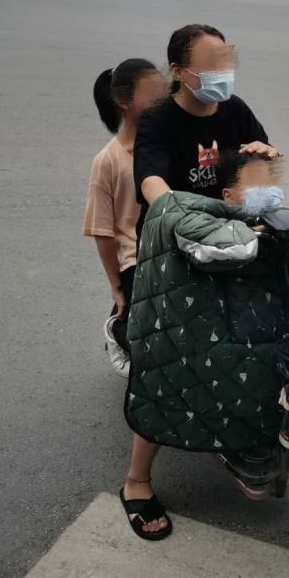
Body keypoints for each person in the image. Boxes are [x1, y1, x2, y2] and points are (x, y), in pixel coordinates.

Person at [119, 23, 278, 540]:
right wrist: (173, 204)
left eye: (226, 62)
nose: (222, 74)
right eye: (211, 65)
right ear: (180, 72)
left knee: (255, 336)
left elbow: (257, 181)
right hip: (174, 245)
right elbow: (150, 178)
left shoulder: (235, 111)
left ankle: (235, 436)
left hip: (229, 239)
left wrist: (258, 164)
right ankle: (137, 480)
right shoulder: (161, 120)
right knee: (168, 359)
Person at [84, 60, 167, 377]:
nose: (163, 98)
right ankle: (121, 329)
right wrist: (116, 287)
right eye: (153, 93)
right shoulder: (108, 160)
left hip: (173, 247)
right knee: (149, 344)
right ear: (123, 102)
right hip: (137, 261)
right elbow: (103, 232)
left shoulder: (166, 144)